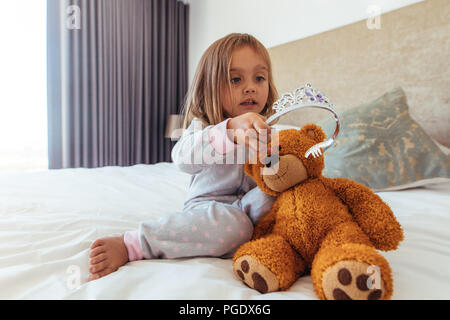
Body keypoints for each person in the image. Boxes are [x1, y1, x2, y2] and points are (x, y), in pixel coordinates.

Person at [88, 33, 279, 281]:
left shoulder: (270, 130)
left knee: (280, 198)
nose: (250, 86)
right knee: (236, 225)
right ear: (210, 86)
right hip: (209, 210)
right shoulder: (203, 127)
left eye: (259, 77)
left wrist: (275, 159)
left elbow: (274, 175)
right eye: (235, 79)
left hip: (252, 208)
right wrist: (229, 131)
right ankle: (135, 244)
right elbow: (182, 158)